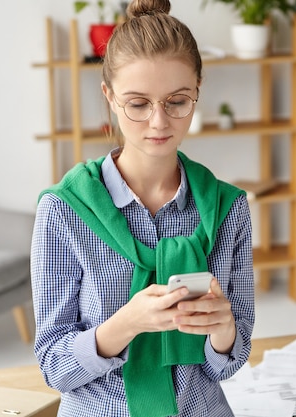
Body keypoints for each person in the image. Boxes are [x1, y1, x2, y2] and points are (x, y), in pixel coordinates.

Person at [30, 0, 255, 416]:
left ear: (197, 93)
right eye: (138, 104)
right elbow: (53, 366)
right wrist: (127, 323)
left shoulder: (227, 208)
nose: (159, 122)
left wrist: (224, 333)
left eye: (177, 101)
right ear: (110, 97)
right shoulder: (65, 211)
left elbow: (230, 364)